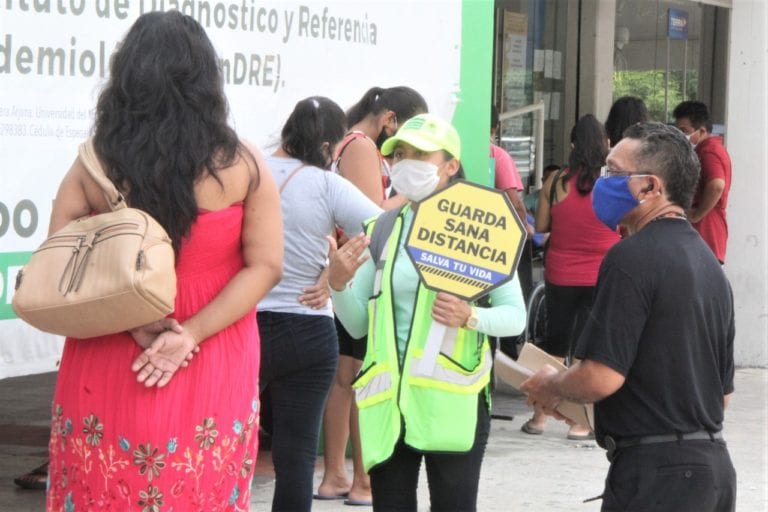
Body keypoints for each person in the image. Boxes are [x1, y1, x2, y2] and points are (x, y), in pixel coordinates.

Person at [45, 11, 283, 510]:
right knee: (198, 486)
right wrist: (189, 334)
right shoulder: (242, 164)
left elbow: (61, 256)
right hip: (214, 344)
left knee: (106, 486)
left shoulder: (95, 162)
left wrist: (135, 323)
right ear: (206, 81)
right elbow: (265, 266)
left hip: (112, 344)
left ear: (127, 78)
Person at [522, 122, 736, 512]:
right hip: (712, 472)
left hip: (656, 477)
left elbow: (600, 376)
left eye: (614, 172)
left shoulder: (630, 257)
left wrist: (554, 385)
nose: (603, 182)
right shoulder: (709, 264)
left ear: (650, 187)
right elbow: (719, 396)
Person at [327, 114, 527, 511]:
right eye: (399, 153)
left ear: (450, 165)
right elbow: (357, 324)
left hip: (452, 406)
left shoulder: (481, 227)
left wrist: (471, 317)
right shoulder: (384, 228)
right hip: (389, 409)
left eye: (419, 153)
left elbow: (515, 317)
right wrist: (337, 284)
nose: (406, 162)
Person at [258, 96, 381, 511]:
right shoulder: (326, 184)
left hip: (242, 325)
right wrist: (335, 276)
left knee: (227, 442)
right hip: (308, 328)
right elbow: (383, 233)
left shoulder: (248, 170)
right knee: (295, 457)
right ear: (329, 146)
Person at [316, 86, 427, 505]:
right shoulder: (361, 146)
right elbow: (372, 212)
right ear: (389, 120)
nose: (405, 160)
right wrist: (413, 193)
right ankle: (360, 480)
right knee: (358, 379)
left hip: (351, 266)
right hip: (360, 269)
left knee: (346, 378)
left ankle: (337, 476)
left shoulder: (349, 141)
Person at [520, 115, 619, 440]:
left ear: (574, 145)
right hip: (602, 276)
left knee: (553, 343)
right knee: (587, 350)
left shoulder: (557, 182)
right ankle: (580, 422)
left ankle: (539, 417)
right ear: (605, 145)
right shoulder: (614, 184)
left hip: (561, 273)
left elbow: (544, 228)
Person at [673, 100, 732, 264]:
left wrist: (697, 214)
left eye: (684, 130)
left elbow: (717, 185)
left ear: (702, 131)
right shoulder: (710, 149)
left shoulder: (708, 152)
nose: (680, 135)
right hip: (707, 231)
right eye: (677, 130)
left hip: (706, 230)